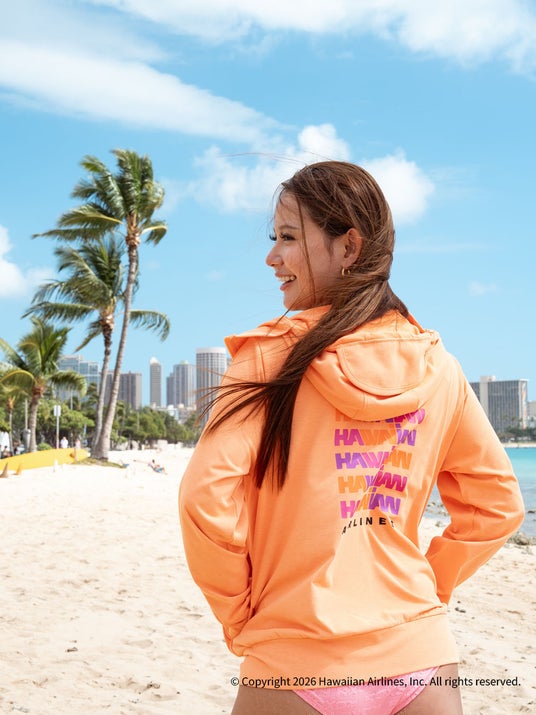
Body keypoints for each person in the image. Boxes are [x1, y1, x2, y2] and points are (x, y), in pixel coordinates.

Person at [179, 161, 524, 714]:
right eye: (274, 239)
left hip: (293, 658)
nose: (272, 257)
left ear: (349, 246)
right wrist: (426, 588)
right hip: (421, 658)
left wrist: (240, 614)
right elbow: (497, 506)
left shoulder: (266, 359)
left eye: (288, 238)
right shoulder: (438, 366)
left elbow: (205, 501)